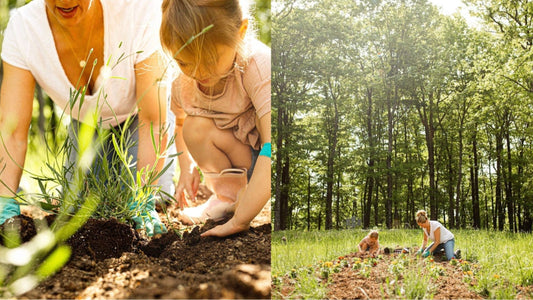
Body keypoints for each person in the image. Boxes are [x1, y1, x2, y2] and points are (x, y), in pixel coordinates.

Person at [0, 0, 177, 236]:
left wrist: (144, 197)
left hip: (142, 122)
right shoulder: (24, 28)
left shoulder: (139, 10)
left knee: (151, 200)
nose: (65, 1)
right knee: (80, 210)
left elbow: (153, 120)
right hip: (86, 127)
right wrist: (3, 199)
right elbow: (11, 129)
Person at [160, 0, 271, 237]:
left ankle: (245, 201)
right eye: (184, 62)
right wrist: (186, 166)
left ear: (240, 33)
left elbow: (275, 148)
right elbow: (179, 123)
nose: (198, 73)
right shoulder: (185, 82)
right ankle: (227, 199)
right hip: (241, 160)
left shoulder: (258, 66)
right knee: (194, 127)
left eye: (209, 61)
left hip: (266, 159)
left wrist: (240, 221)